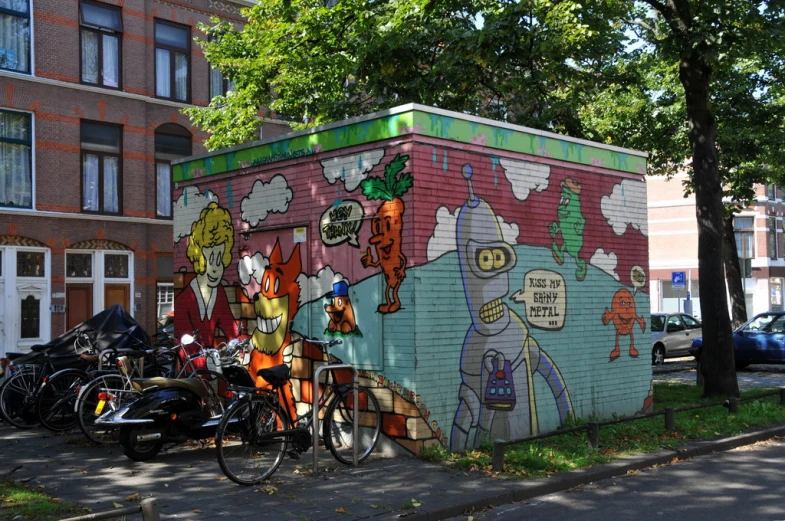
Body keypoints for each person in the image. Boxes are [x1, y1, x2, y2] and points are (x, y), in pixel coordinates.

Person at [175, 202, 240, 363]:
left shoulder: (218, 294)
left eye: (220, 259)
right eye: (210, 259)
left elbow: (231, 329)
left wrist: (241, 344)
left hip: (212, 368)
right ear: (198, 257)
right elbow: (187, 348)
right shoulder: (183, 301)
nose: (215, 268)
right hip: (192, 373)